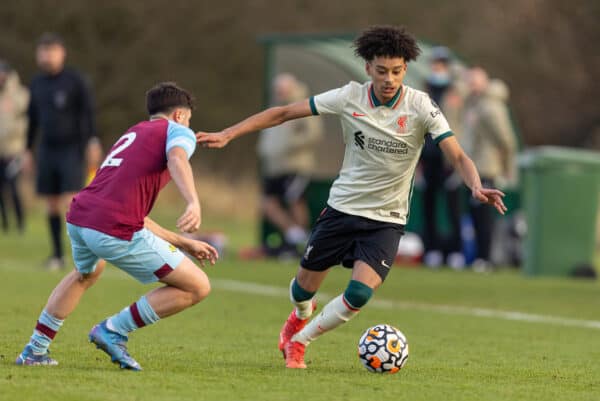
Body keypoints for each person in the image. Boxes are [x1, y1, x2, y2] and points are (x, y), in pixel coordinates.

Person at [198, 26, 507, 369]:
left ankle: (299, 343)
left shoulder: (421, 106)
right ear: (368, 69)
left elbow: (459, 155)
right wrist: (228, 133)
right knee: (302, 291)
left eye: (397, 71)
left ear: (406, 69)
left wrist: (475, 185)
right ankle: (299, 316)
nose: (389, 79)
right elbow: (283, 113)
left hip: (387, 219)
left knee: (359, 293)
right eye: (381, 71)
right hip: (342, 209)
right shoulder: (349, 97)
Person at [15, 82, 218, 370]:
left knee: (86, 273)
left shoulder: (134, 133)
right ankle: (113, 330)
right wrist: (193, 202)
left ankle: (34, 350)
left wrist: (185, 242)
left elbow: (130, 210)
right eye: (188, 119)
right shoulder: (177, 131)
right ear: (179, 116)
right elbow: (177, 158)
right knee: (197, 286)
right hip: (112, 227)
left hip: (81, 217)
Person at [23, 32, 102, 269]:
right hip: (47, 148)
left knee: (72, 202)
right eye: (43, 52)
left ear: (62, 53)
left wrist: (92, 140)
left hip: (72, 147)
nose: (47, 56)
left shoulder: (75, 80)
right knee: (52, 204)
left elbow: (88, 112)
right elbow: (32, 119)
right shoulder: (36, 83)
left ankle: (85, 255)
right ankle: (57, 255)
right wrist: (28, 149)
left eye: (52, 51)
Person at [257, 73, 323, 256]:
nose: (279, 93)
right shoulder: (274, 107)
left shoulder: (303, 107)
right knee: (268, 203)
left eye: (283, 90)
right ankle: (295, 236)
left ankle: (302, 243)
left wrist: (288, 145)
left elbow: (313, 134)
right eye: (277, 90)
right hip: (274, 167)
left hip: (296, 166)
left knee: (295, 201)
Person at [462, 67, 517, 270]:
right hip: (475, 167)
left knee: (484, 216)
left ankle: (486, 258)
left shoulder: (490, 106)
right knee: (476, 216)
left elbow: (506, 140)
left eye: (474, 82)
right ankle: (480, 257)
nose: (471, 86)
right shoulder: (475, 104)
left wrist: (507, 168)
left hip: (486, 168)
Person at [419, 47, 465, 268]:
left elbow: (462, 125)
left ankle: (456, 251)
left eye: (442, 64)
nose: (437, 68)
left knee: (452, 206)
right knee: (429, 206)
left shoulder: (457, 91)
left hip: (449, 157)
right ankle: (432, 249)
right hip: (428, 156)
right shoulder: (424, 89)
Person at [0, 60, 29, 233]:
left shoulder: (20, 94)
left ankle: (20, 223)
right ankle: (5, 225)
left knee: (13, 187)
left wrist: (14, 134)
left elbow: (26, 121)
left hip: (14, 150)